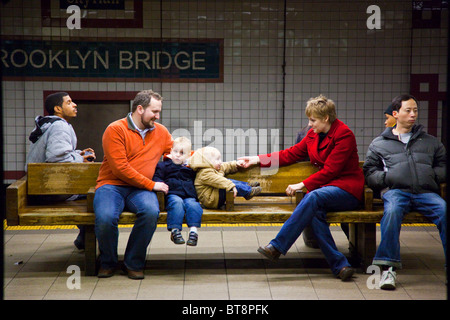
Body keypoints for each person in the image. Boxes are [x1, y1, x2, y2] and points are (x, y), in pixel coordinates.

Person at [239, 95, 365, 281]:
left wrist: (303, 184)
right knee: (314, 212)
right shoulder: (312, 135)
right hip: (326, 191)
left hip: (347, 190)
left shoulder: (344, 134)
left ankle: (277, 246)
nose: (309, 124)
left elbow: (332, 170)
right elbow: (290, 154)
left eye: (313, 120)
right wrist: (257, 159)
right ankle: (341, 265)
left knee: (312, 197)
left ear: (326, 118)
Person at [363, 94, 446, 290]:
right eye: (408, 110)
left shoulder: (430, 142)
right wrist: (387, 178)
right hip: (396, 191)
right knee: (391, 213)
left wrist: (431, 176)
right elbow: (369, 172)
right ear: (395, 114)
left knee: (445, 211)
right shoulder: (379, 143)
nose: (413, 115)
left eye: (415, 110)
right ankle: (388, 269)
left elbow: (443, 164)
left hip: (426, 192)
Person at [93, 89, 173, 279]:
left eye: (159, 112)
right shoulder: (115, 129)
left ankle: (133, 263)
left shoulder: (161, 132)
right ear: (139, 108)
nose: (157, 116)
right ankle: (108, 262)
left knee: (151, 212)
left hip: (140, 189)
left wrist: (205, 158)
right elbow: (120, 168)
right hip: (112, 185)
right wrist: (151, 185)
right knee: (105, 218)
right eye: (154, 112)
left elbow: (176, 154)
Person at [25, 91, 96, 250]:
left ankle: (84, 237)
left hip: (39, 186)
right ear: (58, 108)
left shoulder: (49, 124)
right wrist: (81, 160)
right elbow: (56, 159)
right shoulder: (60, 126)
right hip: (48, 190)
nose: (74, 105)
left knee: (90, 193)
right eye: (69, 102)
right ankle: (87, 239)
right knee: (98, 194)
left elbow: (55, 154)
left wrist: (79, 154)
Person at [153, 137, 203, 246]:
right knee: (177, 203)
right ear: (171, 151)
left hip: (189, 195)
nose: (177, 155)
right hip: (172, 194)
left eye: (182, 153)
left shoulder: (191, 168)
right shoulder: (164, 166)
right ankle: (175, 230)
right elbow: (157, 177)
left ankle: (193, 231)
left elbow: (200, 179)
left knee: (194, 205)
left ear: (189, 155)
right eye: (175, 151)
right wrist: (159, 184)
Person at [189, 146, 262, 209]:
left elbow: (225, 166)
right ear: (207, 162)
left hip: (215, 195)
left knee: (229, 181)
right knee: (228, 182)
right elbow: (219, 180)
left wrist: (236, 164)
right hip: (211, 200)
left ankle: (246, 186)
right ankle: (248, 192)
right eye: (217, 159)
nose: (220, 162)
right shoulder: (204, 173)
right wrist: (231, 186)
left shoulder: (214, 168)